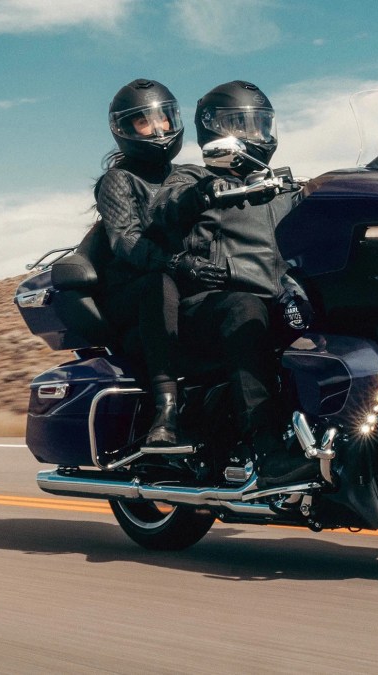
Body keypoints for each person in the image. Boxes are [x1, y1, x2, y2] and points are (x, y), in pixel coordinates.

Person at [150, 80, 316, 487]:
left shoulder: (284, 188)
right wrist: (206, 192)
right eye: (242, 125)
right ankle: (269, 451)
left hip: (277, 301)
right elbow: (165, 209)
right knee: (245, 308)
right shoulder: (191, 177)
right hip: (210, 306)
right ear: (215, 130)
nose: (255, 134)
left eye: (260, 125)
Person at [90, 78, 224, 448]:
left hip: (183, 281)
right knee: (159, 284)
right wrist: (177, 264)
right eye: (144, 122)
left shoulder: (191, 175)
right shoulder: (118, 181)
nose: (159, 129)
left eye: (164, 118)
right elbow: (126, 243)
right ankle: (166, 410)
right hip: (133, 290)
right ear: (124, 129)